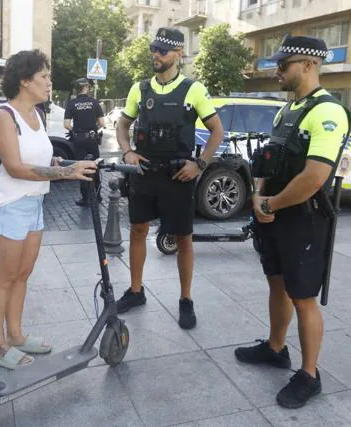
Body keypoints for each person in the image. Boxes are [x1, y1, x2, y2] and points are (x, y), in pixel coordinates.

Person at [233, 36, 350, 409]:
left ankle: (310, 374)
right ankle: (275, 347)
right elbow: (268, 161)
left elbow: (315, 176)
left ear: (310, 65)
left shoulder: (328, 112)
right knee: (277, 286)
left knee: (303, 298)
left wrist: (273, 203)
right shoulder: (288, 110)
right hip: (276, 214)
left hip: (304, 219)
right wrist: (258, 194)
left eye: (284, 65)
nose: (278, 71)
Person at [0, 49, 97, 369]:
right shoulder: (3, 117)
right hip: (8, 205)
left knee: (22, 275)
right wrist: (66, 173)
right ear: (24, 80)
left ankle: (16, 336)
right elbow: (16, 168)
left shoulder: (37, 114)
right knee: (3, 279)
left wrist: (67, 164)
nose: (49, 82)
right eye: (44, 77)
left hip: (34, 203)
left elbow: (41, 160)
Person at [114, 27, 224, 329]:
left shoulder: (193, 89)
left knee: (183, 239)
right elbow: (122, 126)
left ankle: (186, 300)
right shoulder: (140, 88)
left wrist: (200, 164)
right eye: (154, 49)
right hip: (145, 174)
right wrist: (127, 152)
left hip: (179, 175)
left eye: (162, 50)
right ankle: (136, 291)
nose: (156, 55)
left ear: (178, 54)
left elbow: (217, 132)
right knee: (138, 230)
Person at [64, 78, 106, 205]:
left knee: (81, 166)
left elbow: (66, 125)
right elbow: (102, 123)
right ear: (86, 88)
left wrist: (76, 131)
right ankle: (97, 196)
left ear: (77, 89)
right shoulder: (94, 103)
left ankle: (85, 197)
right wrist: (93, 130)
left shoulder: (72, 103)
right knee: (95, 166)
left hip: (78, 139)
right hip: (92, 139)